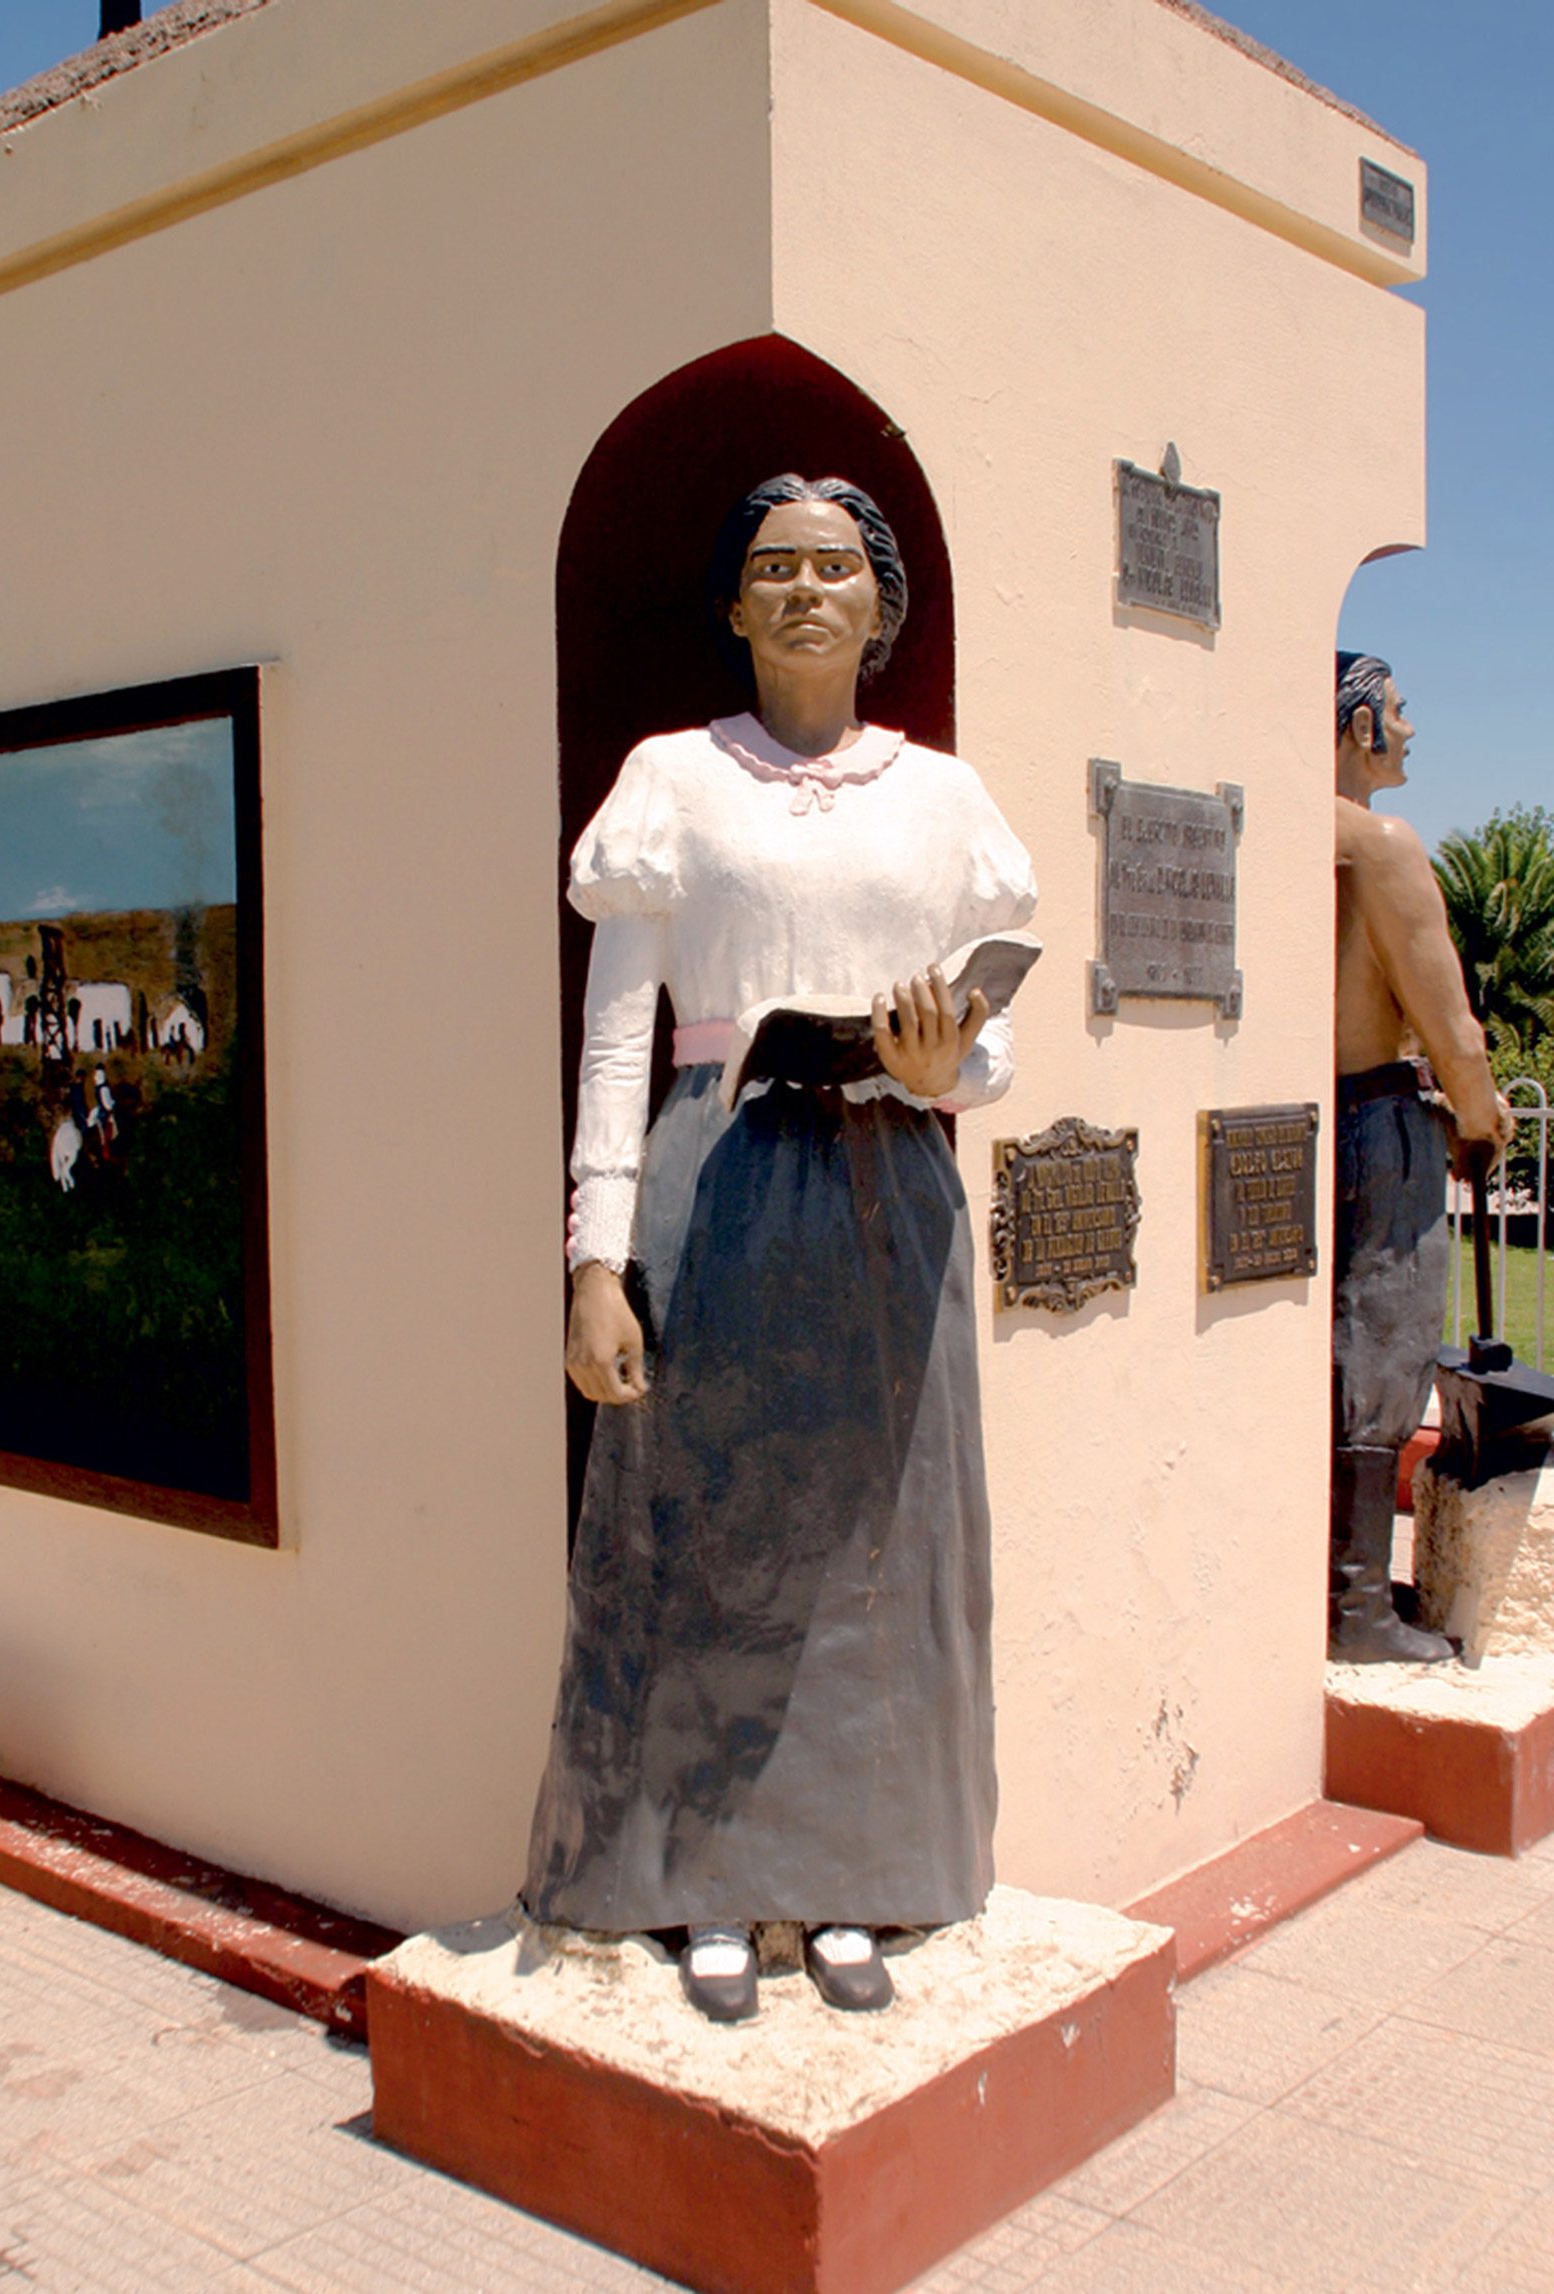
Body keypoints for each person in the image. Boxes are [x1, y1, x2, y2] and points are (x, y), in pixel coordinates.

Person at [522, 475, 1038, 2020]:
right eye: (775, 568)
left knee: (875, 1545)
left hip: (890, 1184)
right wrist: (594, 1257)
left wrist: (955, 1070)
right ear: (738, 608)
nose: (808, 587)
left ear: (882, 603)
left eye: (836, 565)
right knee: (708, 1541)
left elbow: (989, 1051)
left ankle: (859, 1873)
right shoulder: (670, 780)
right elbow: (619, 1036)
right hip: (717, 1175)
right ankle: (709, 1887)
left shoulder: (946, 800)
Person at [1331, 651, 1512, 1660]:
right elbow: (1450, 1027)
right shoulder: (1381, 843)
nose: (1407, 732)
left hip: (1303, 1124)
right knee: (1385, 1349)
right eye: (1398, 714)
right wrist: (1481, 1113)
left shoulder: (1281, 825)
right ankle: (1354, 1607)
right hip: (1380, 1125)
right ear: (1359, 725)